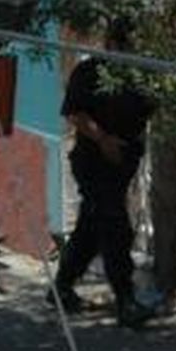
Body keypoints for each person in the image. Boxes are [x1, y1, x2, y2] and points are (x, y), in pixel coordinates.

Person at [50, 21, 157, 328]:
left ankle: (61, 288)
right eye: (119, 43)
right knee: (115, 227)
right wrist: (103, 140)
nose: (125, 50)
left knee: (91, 228)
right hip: (93, 162)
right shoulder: (90, 72)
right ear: (109, 44)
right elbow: (74, 113)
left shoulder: (140, 78)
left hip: (123, 163)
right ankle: (126, 300)